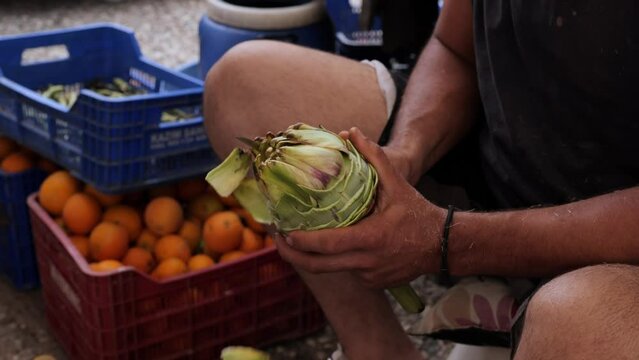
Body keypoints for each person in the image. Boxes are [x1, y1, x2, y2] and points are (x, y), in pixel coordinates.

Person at [203, 0, 639, 359]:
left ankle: (534, 318)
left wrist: (446, 241)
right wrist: (406, 155)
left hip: (619, 254)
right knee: (245, 83)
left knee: (577, 324)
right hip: (502, 170)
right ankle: (378, 351)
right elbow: (453, 48)